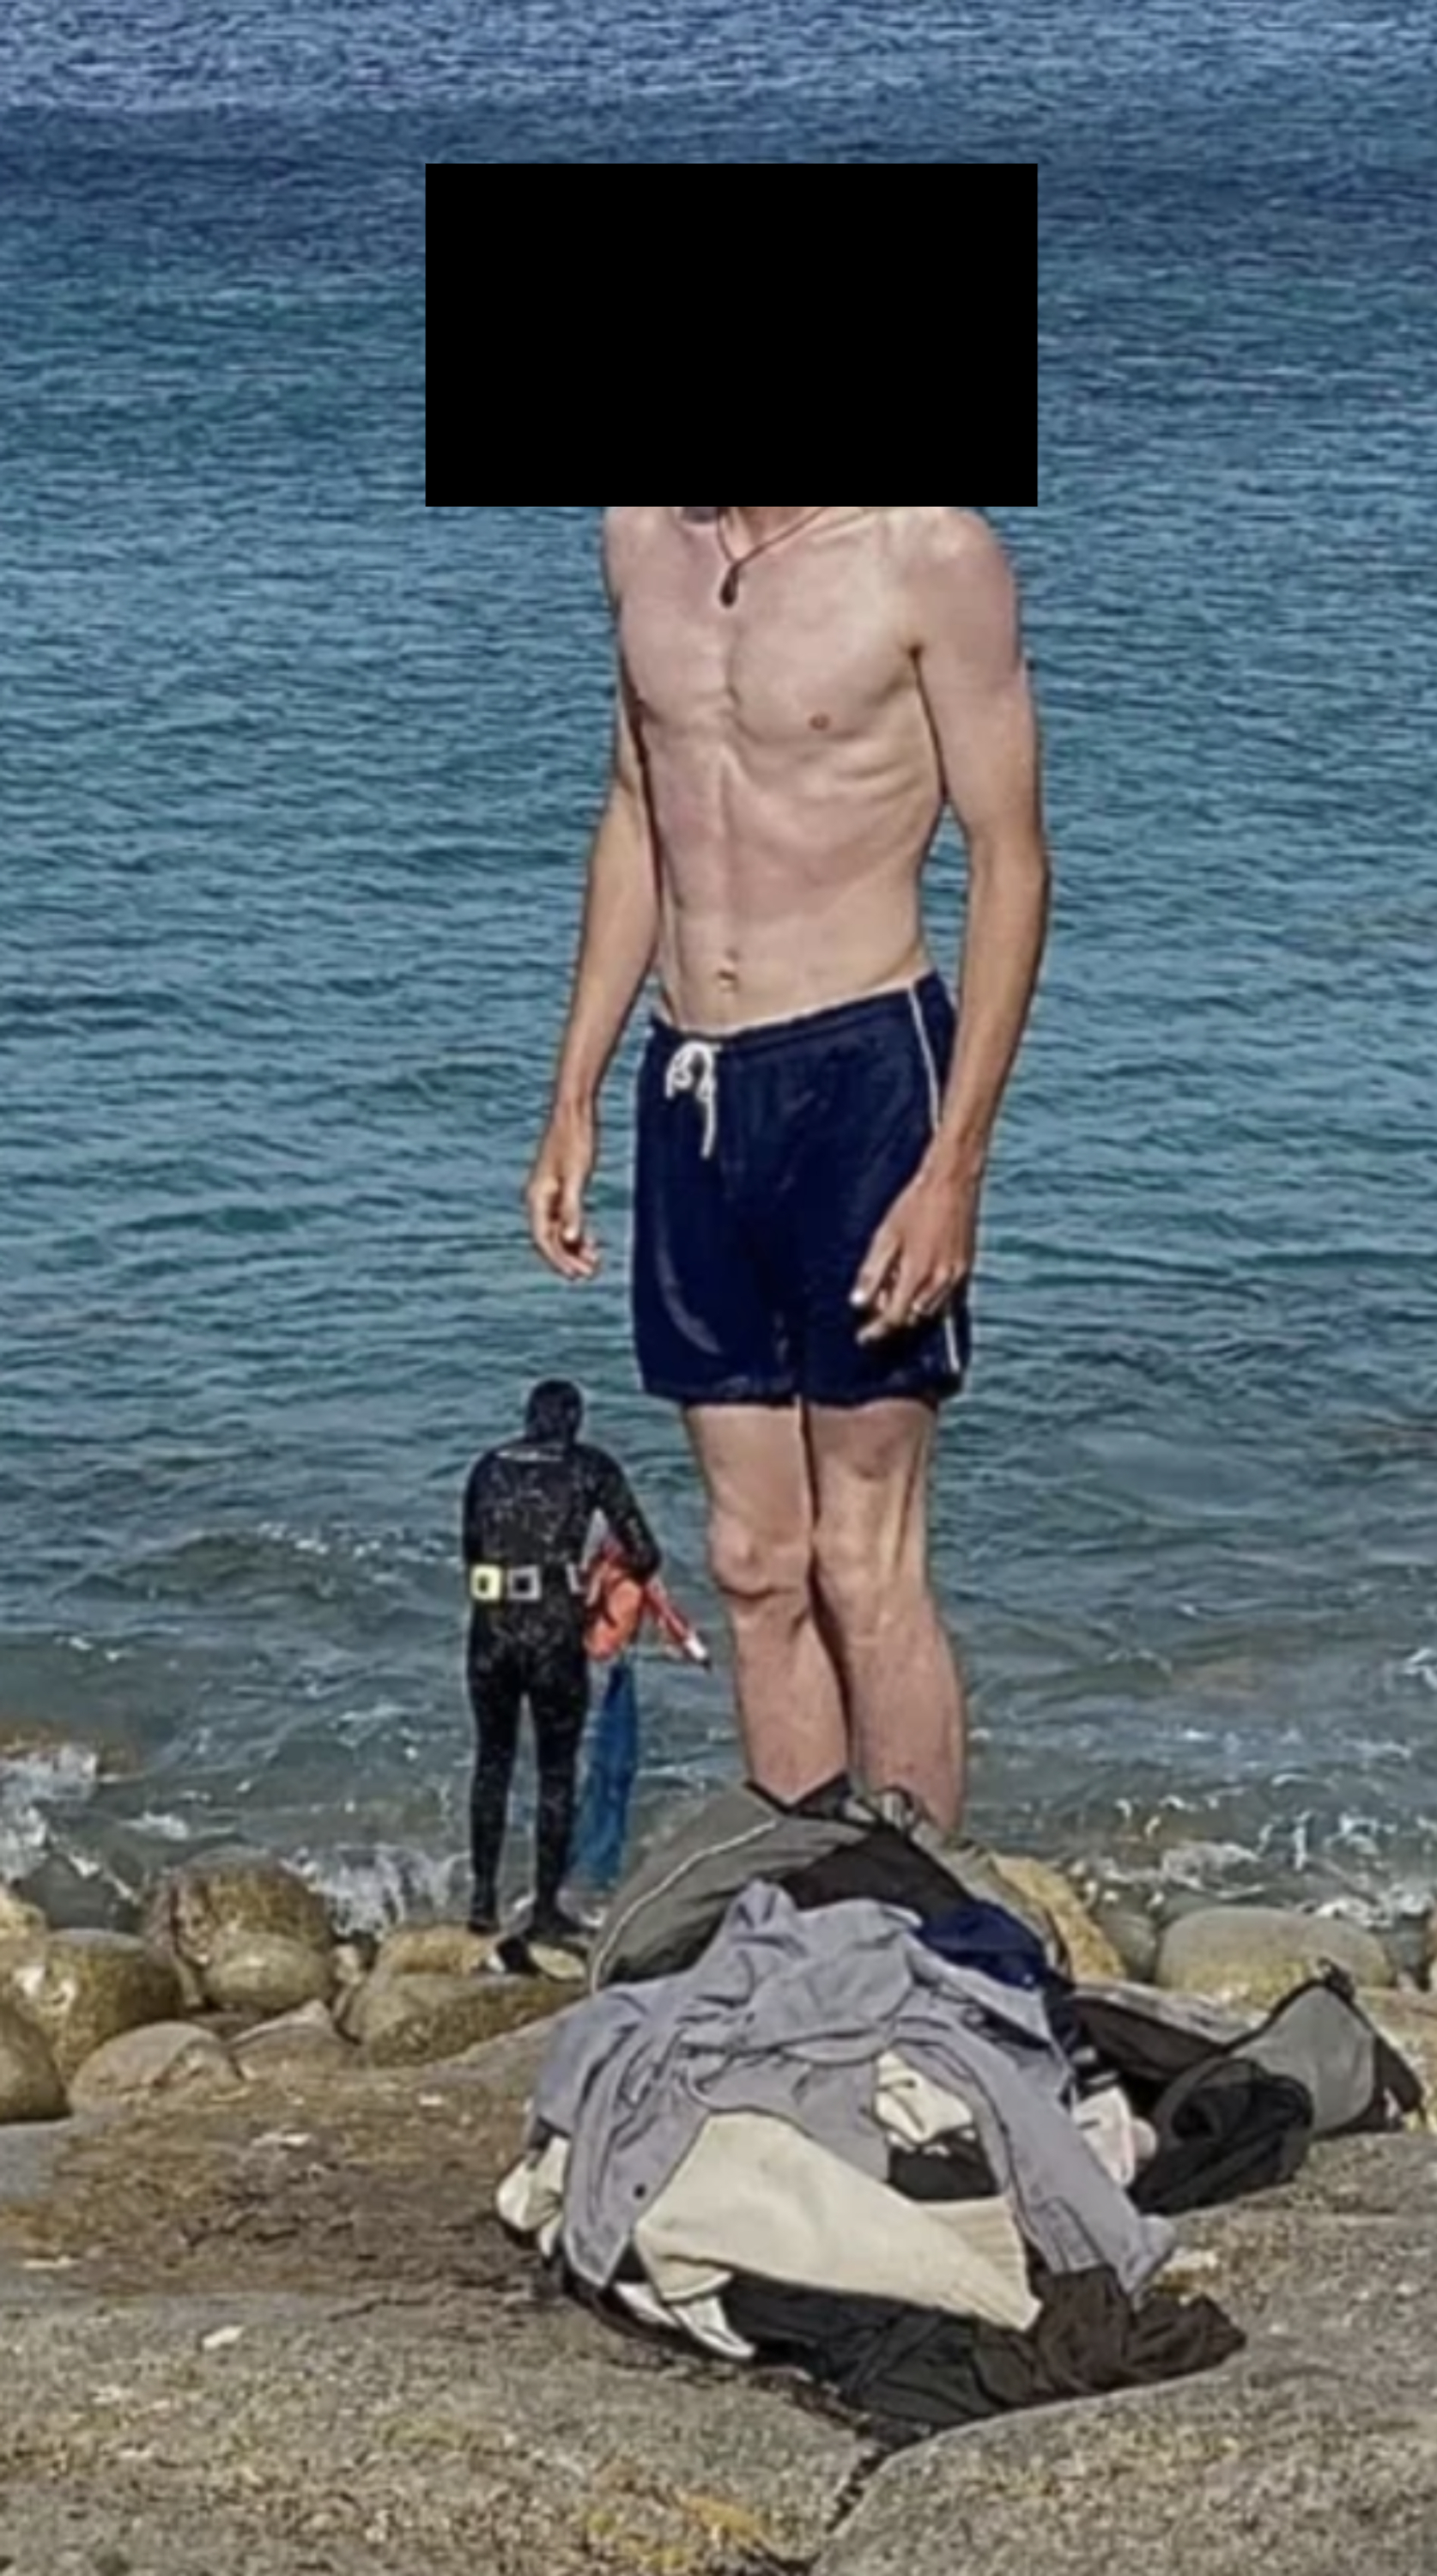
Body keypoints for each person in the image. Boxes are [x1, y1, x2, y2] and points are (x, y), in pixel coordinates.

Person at [524, 507, 1051, 1831]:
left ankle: (916, 1903)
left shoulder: (927, 554)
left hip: (865, 1076)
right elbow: (639, 811)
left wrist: (953, 1169)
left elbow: (1010, 859)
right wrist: (574, 1092)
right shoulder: (639, 539)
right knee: (755, 1562)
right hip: (691, 1084)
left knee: (864, 1561)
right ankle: (805, 1895)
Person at [461, 1376, 659, 1940]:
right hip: (553, 1634)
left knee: (492, 1762)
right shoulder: (590, 1466)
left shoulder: (486, 1467)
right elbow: (644, 1551)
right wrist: (608, 1576)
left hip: (491, 1631)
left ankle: (482, 1901)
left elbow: (472, 1548)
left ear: (529, 1418)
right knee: (555, 1771)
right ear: (574, 1421)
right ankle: (546, 1909)